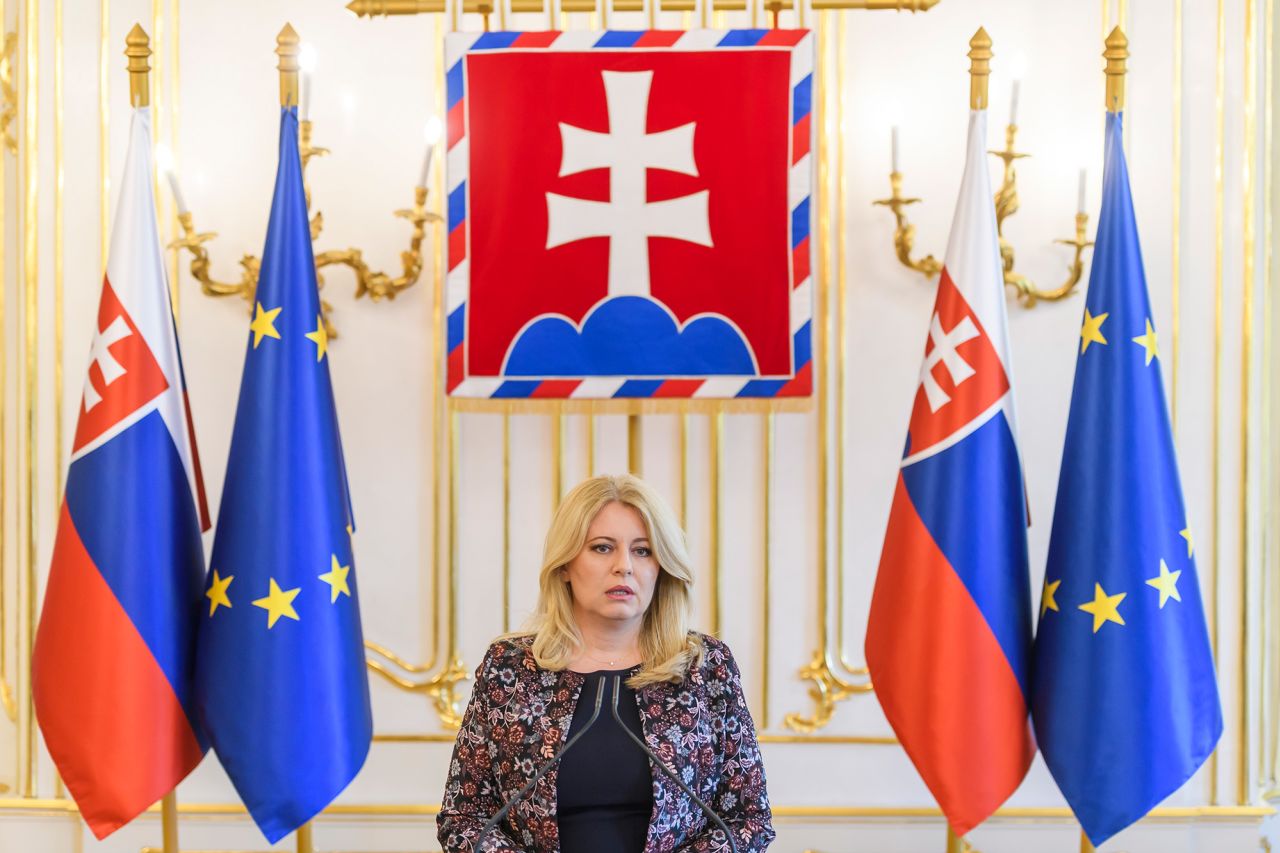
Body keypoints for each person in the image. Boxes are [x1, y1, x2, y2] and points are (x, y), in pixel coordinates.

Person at [437, 474, 775, 853]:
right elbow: (464, 820)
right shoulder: (510, 669)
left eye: (643, 551)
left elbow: (748, 822)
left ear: (661, 567)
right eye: (602, 548)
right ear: (565, 565)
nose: (624, 567)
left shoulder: (706, 667)